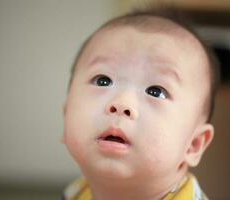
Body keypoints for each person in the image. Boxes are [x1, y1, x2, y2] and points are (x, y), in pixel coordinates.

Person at [61, 8, 220, 200]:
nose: (121, 104)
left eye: (156, 91)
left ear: (193, 145)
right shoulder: (76, 192)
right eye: (102, 80)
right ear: (66, 113)